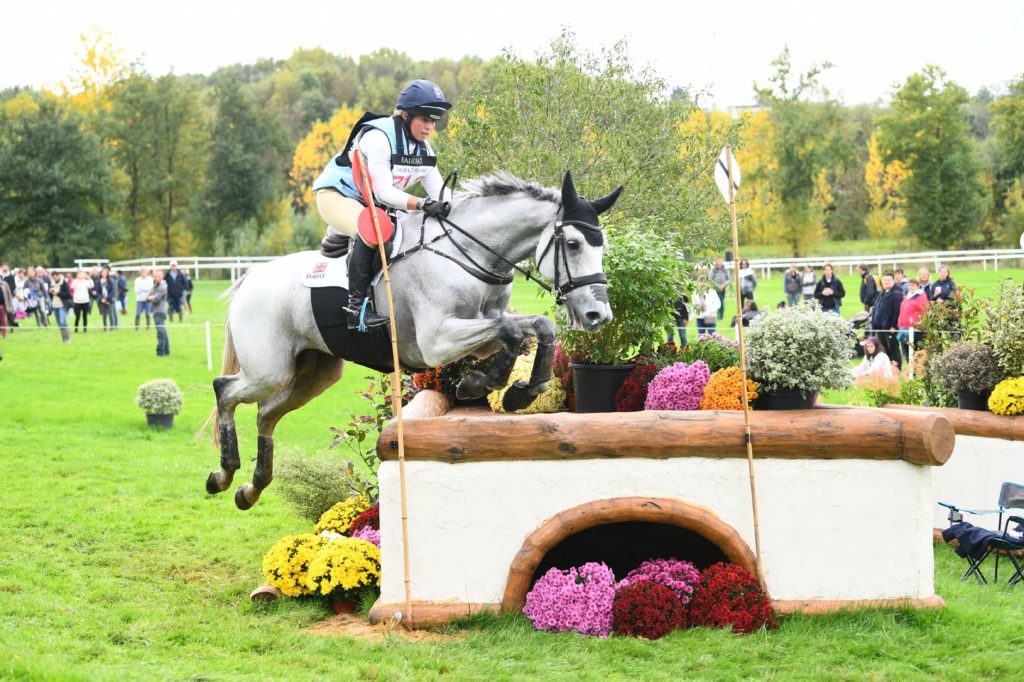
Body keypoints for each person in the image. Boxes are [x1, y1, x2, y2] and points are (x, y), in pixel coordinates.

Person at [313, 79, 453, 330]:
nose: (430, 126)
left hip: (373, 203)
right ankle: (356, 310)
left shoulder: (424, 148)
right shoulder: (379, 137)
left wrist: (450, 207)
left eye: (434, 120)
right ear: (406, 115)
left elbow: (441, 192)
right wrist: (422, 203)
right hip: (338, 196)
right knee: (375, 230)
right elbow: (385, 192)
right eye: (425, 119)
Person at [870, 272, 904, 369]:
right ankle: (889, 369)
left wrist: (893, 325)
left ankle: (897, 369)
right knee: (885, 349)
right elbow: (876, 309)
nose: (886, 282)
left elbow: (897, 311)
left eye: (888, 280)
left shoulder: (897, 294)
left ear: (893, 281)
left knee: (893, 349)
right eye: (885, 280)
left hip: (889, 328)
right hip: (880, 328)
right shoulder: (882, 293)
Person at [897, 278, 929, 362]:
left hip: (916, 329)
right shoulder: (907, 296)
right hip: (905, 329)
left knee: (916, 350)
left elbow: (925, 312)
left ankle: (918, 370)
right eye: (909, 285)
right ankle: (910, 370)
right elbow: (902, 311)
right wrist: (900, 324)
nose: (911, 287)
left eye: (913, 285)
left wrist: (918, 324)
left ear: (918, 286)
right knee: (906, 350)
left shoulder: (921, 297)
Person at [149, 269, 169, 356]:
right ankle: (166, 350)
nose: (157, 278)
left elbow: (156, 299)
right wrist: (150, 297)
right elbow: (149, 296)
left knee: (160, 332)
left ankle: (160, 351)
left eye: (158, 276)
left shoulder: (163, 286)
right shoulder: (154, 286)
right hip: (156, 311)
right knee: (163, 331)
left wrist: (151, 297)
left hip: (160, 311)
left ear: (162, 277)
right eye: (155, 276)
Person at [49, 270, 72, 343]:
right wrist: (51, 292)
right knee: (59, 324)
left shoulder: (64, 283)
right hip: (55, 305)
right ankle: (64, 340)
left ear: (59, 276)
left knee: (63, 322)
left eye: (55, 277)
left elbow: (68, 295)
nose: (54, 279)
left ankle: (68, 339)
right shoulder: (52, 284)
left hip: (62, 305)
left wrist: (58, 293)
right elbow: (51, 295)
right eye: (53, 278)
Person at [95, 266, 117, 331]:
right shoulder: (98, 282)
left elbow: (112, 291)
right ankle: (105, 328)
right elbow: (97, 292)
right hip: (101, 301)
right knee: (104, 315)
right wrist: (102, 299)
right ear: (101, 273)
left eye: (105, 273)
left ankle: (112, 328)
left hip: (110, 300)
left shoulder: (111, 281)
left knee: (111, 314)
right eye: (103, 272)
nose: (104, 274)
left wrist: (106, 299)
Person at [710, 257, 730, 321]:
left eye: (721, 261)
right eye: (719, 261)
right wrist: (718, 286)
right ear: (716, 262)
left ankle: (721, 316)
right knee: (717, 302)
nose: (720, 262)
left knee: (721, 302)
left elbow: (729, 279)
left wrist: (724, 285)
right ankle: (717, 316)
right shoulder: (713, 270)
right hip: (715, 289)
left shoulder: (725, 270)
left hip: (723, 288)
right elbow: (710, 280)